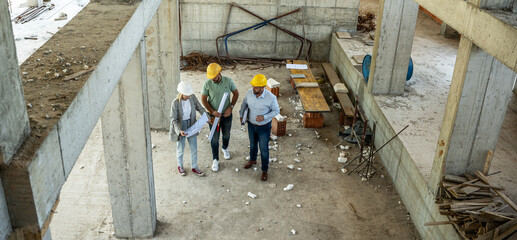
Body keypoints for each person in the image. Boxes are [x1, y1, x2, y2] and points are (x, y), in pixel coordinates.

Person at [239, 74, 280, 181]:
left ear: (263, 87)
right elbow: (244, 104)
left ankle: (264, 170)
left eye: (256, 87)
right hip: (251, 125)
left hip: (264, 127)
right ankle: (252, 160)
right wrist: (241, 115)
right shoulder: (249, 92)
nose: (253, 89)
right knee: (252, 144)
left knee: (263, 149)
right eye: (253, 86)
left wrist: (264, 117)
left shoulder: (271, 98)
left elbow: (276, 111)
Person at [201, 63, 239, 172]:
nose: (212, 79)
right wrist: (212, 111)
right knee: (214, 138)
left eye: (214, 76)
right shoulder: (207, 84)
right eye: (211, 77)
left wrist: (230, 107)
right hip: (213, 117)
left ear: (219, 73)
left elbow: (236, 94)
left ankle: (225, 148)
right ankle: (215, 159)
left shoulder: (228, 81)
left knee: (226, 134)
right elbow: (203, 99)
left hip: (226, 115)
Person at [169, 81, 207, 177]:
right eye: (186, 95)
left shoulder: (192, 97)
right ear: (181, 93)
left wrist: (206, 116)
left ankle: (194, 167)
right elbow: (173, 119)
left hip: (191, 124)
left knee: (194, 148)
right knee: (181, 148)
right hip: (181, 126)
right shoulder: (175, 103)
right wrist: (178, 131)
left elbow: (200, 108)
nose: (188, 96)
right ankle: (180, 166)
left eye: (189, 94)